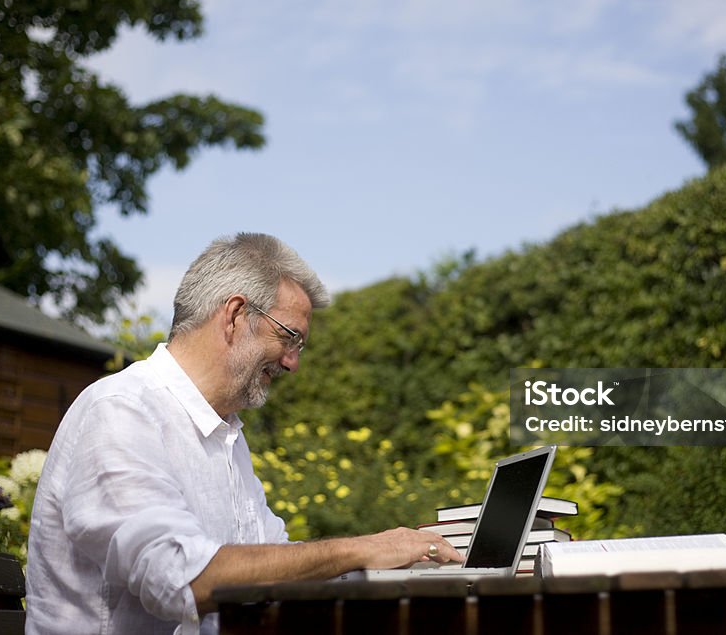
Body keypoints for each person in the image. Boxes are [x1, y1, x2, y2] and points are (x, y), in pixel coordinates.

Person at [25, 233, 462, 635]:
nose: (293, 363)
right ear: (234, 315)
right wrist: (363, 550)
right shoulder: (123, 411)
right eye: (289, 337)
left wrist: (401, 565)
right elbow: (180, 578)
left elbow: (277, 566)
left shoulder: (225, 434)